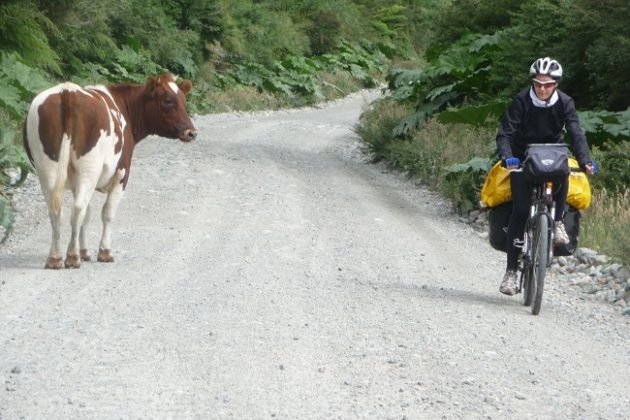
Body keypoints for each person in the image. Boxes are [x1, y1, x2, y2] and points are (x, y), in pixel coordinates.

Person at [495, 57, 597, 296]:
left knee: (564, 172)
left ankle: (558, 222)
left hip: (553, 152)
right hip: (522, 156)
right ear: (533, 82)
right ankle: (511, 272)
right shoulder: (521, 100)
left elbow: (575, 132)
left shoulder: (565, 102)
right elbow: (505, 133)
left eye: (548, 84)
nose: (542, 88)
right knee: (520, 210)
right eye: (538, 83)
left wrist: (586, 160)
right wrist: (508, 157)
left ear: (556, 84)